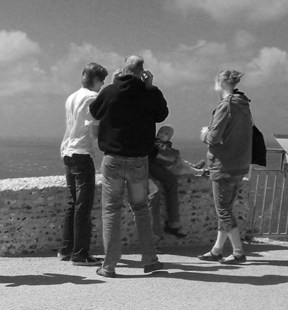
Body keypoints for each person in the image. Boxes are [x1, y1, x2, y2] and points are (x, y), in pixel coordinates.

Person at [88, 56, 167, 277]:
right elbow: (162, 114)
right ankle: (150, 260)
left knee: (111, 210)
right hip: (139, 161)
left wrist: (113, 83)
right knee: (141, 209)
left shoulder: (111, 91)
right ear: (143, 71)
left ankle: (109, 265)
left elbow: (95, 111)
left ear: (123, 69)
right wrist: (151, 87)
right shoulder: (149, 92)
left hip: (113, 159)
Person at [198, 70, 253, 264]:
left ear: (221, 83)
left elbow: (214, 137)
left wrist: (205, 133)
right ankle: (217, 249)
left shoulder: (226, 105)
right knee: (227, 208)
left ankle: (238, 252)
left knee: (223, 209)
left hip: (224, 164)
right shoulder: (243, 104)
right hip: (240, 163)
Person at [58, 62, 107, 266]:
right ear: (96, 80)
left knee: (72, 202)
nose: (103, 84)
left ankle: (66, 249)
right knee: (83, 205)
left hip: (67, 151)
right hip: (82, 152)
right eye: (102, 80)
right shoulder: (93, 98)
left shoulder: (72, 96)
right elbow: (94, 131)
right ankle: (80, 253)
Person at [148, 126, 201, 239]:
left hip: (156, 166)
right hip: (154, 167)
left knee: (176, 170)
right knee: (171, 181)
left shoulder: (162, 146)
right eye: (161, 132)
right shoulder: (158, 145)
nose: (162, 134)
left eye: (166, 133)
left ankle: (195, 169)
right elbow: (171, 158)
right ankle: (197, 170)